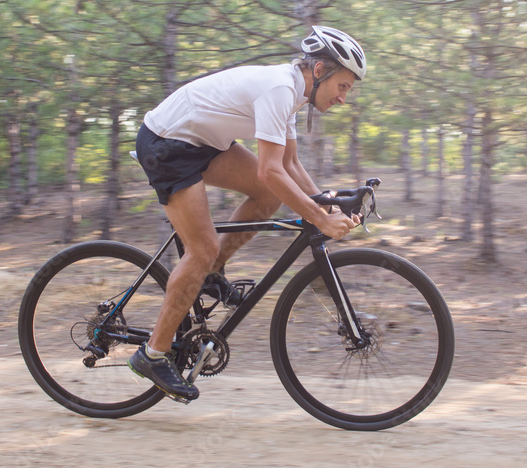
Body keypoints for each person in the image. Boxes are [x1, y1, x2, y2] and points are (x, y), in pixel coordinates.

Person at [128, 26, 367, 402]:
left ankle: (209, 274)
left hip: (202, 142)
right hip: (168, 144)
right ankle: (153, 354)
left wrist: (326, 203)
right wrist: (320, 219)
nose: (343, 98)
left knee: (265, 196)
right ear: (320, 70)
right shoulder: (280, 89)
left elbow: (288, 164)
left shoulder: (293, 94)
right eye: (343, 86)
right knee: (201, 249)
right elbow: (270, 170)